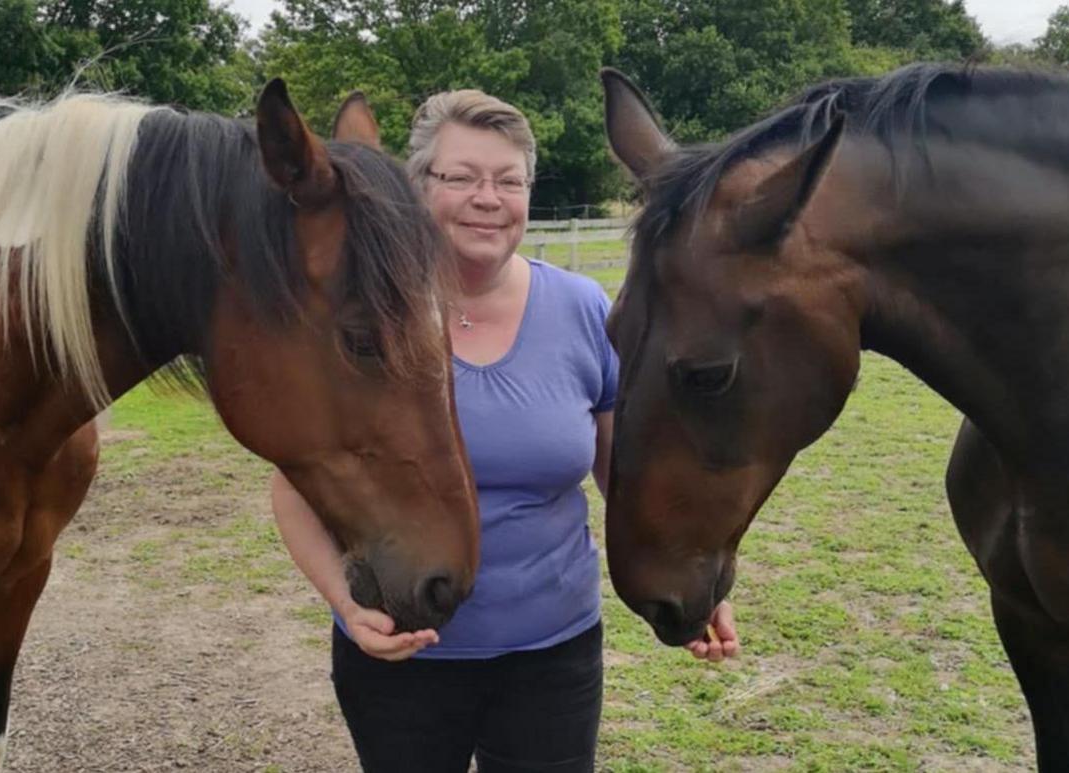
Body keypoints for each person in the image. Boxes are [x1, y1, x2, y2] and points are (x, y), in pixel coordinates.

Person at [270, 89, 740, 773]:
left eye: (508, 180)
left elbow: (625, 475)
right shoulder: (364, 323)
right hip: (404, 654)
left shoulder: (582, 308)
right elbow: (293, 488)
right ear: (417, 184)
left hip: (553, 654)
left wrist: (701, 587)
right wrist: (344, 603)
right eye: (460, 177)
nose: (487, 198)